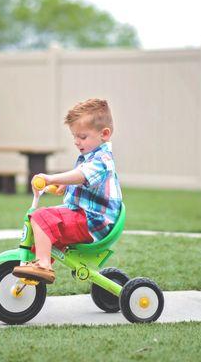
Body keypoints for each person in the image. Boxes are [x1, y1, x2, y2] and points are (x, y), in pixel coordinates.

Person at [12, 98, 123, 284]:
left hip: (92, 222)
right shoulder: (90, 156)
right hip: (86, 217)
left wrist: (51, 178)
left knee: (41, 218)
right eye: (74, 136)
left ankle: (43, 264)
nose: (76, 141)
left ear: (104, 134)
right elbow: (83, 180)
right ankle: (26, 273)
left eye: (82, 136)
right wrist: (65, 186)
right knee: (46, 231)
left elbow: (82, 175)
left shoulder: (102, 159)